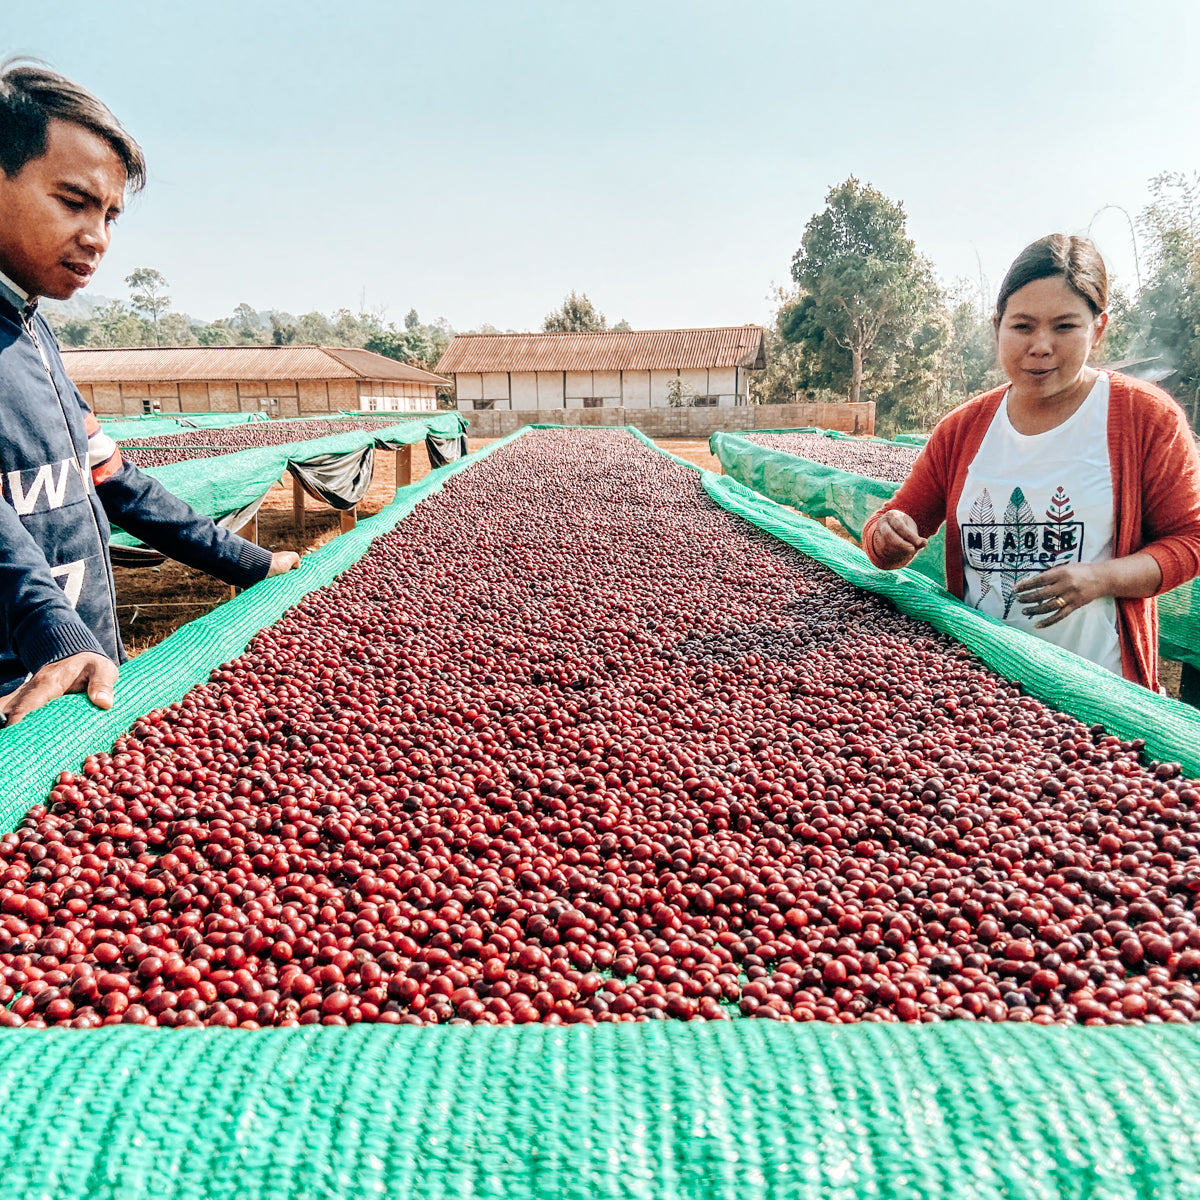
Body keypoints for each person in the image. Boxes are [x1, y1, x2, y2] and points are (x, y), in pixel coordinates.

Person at [0, 62, 299, 727]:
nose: (98, 237)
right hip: (18, 702)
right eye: (73, 201)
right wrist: (55, 633)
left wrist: (250, 561)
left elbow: (119, 482)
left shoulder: (34, 335)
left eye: (109, 215)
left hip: (83, 679)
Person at [863, 233, 1200, 692]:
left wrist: (1101, 578)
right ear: (997, 326)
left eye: (1065, 327)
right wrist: (886, 536)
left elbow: (1190, 541)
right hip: (978, 680)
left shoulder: (1144, 418)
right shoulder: (963, 429)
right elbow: (893, 525)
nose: (1041, 346)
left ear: (1098, 329)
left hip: (1099, 691)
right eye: (1022, 326)